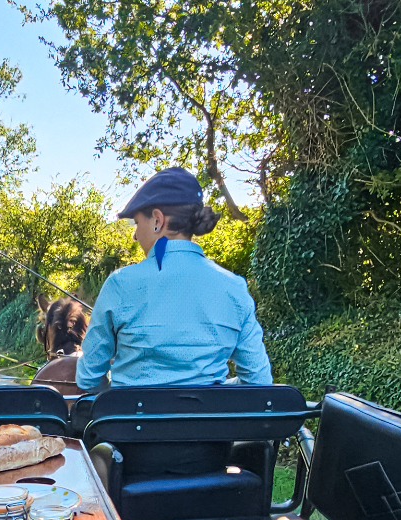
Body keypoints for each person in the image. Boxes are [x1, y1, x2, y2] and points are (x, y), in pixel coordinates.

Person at [76, 167, 271, 485]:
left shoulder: (121, 285)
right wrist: (212, 392)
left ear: (157, 219)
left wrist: (123, 391)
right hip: (208, 464)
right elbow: (259, 384)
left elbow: (87, 377)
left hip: (131, 466)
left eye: (137, 223)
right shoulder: (234, 288)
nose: (135, 235)